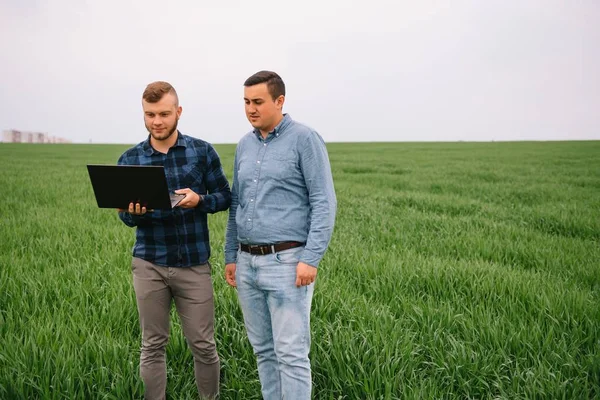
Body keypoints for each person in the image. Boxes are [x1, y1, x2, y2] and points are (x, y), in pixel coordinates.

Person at [224, 71, 337, 399]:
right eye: (246, 102)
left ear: (280, 101)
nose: (251, 109)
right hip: (247, 264)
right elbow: (237, 204)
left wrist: (310, 258)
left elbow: (324, 202)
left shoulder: (305, 139)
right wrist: (231, 255)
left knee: (291, 354)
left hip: (288, 263)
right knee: (264, 351)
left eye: (258, 102)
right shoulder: (244, 145)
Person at [117, 81, 231, 399]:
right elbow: (125, 218)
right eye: (150, 114)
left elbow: (224, 196)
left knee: (204, 345)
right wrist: (133, 212)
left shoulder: (201, 151)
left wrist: (201, 201)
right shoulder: (130, 159)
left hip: (193, 264)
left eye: (164, 113)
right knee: (152, 345)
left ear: (178, 112)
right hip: (149, 263)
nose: (157, 121)